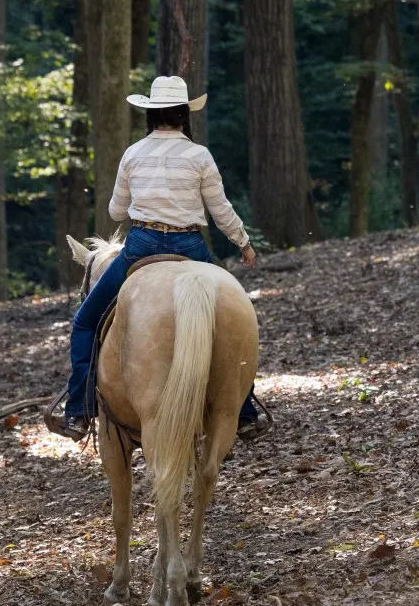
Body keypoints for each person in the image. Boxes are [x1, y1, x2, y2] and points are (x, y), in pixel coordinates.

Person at [46, 74, 262, 441]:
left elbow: (116, 212)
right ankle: (244, 411)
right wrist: (243, 242)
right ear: (184, 114)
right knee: (233, 318)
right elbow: (220, 209)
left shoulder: (133, 154)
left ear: (150, 113)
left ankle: (79, 409)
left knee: (85, 322)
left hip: (142, 245)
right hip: (190, 246)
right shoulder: (200, 156)